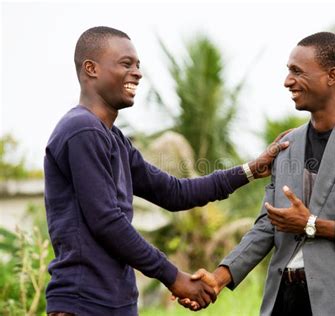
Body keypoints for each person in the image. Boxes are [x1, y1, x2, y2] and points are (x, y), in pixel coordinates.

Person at [43, 26, 288, 316]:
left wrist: (250, 169)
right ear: (91, 68)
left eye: (138, 65)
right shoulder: (81, 130)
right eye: (126, 64)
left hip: (116, 302)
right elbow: (106, 220)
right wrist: (173, 277)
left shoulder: (114, 139)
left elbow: (175, 193)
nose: (137, 73)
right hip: (82, 303)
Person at [181, 31, 335, 315]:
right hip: (282, 300)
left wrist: (314, 224)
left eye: (297, 71)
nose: (287, 81)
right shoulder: (287, 146)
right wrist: (218, 278)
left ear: (332, 76)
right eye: (288, 71)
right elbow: (268, 225)